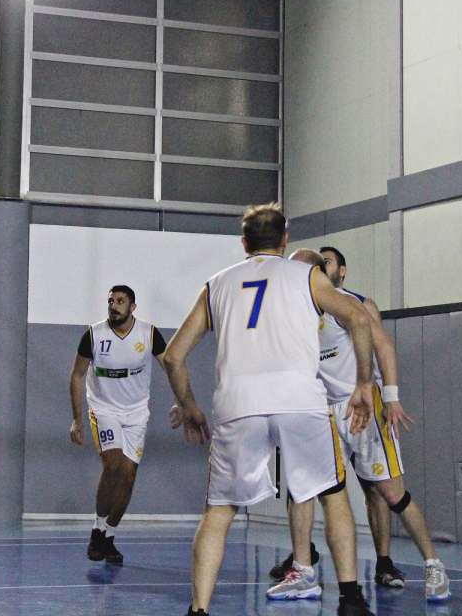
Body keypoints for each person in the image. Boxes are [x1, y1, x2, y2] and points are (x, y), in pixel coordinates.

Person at [162, 203, 378, 616]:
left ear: (244, 243)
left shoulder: (216, 284)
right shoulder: (307, 275)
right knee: (332, 496)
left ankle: (199, 609)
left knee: (218, 512)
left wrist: (189, 406)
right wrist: (364, 384)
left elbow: (173, 356)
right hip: (299, 400)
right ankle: (351, 600)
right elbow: (359, 319)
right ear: (285, 240)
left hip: (238, 403)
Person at [274, 247, 449, 602]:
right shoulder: (292, 312)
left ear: (317, 273)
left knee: (391, 493)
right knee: (303, 489)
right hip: (321, 412)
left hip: (362, 405)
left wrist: (391, 395)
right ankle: (303, 568)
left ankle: (433, 564)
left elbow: (383, 346)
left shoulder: (348, 304)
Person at [69, 285, 167, 565]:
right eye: (111, 301)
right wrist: (77, 418)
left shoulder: (148, 333)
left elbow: (172, 364)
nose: (114, 305)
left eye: (121, 301)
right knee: (112, 465)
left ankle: (109, 536)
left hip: (136, 413)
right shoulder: (93, 335)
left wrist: (183, 402)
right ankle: (97, 530)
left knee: (128, 476)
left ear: (132, 307)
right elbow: (77, 376)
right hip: (104, 409)